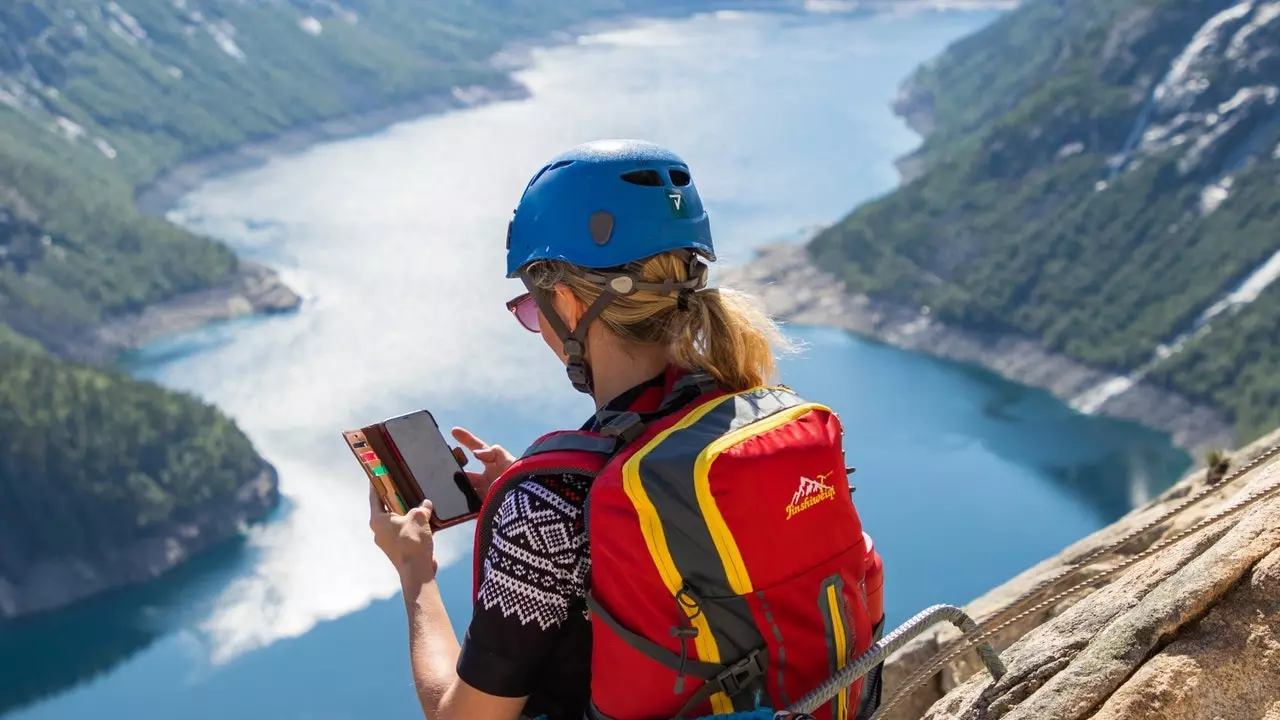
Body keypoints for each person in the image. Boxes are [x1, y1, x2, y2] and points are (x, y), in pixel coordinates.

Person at [369, 139, 883, 720]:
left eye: (532, 309)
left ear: (565, 301)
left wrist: (416, 570)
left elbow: (464, 718)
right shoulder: (754, 415)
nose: (537, 324)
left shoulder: (546, 506)